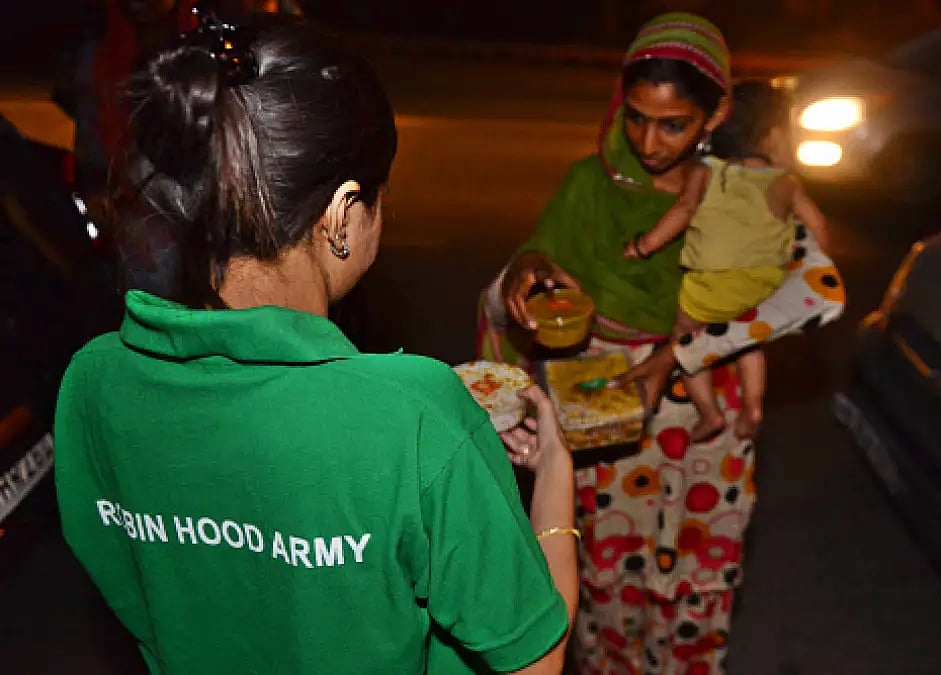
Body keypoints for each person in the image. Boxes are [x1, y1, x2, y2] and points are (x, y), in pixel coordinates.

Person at [54, 16, 578, 674]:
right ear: (341, 212)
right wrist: (555, 474)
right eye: (378, 196)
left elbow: (147, 598)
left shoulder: (93, 386)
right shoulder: (415, 417)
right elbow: (536, 657)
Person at [477, 12, 846, 674]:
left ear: (716, 112)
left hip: (708, 422)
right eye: (637, 116)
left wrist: (675, 355)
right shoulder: (587, 185)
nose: (649, 140)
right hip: (605, 411)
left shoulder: (751, 191)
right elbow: (535, 265)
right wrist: (527, 268)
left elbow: (817, 293)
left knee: (700, 583)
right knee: (607, 576)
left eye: (672, 123)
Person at [621, 81, 830, 442]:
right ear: (771, 138)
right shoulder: (785, 182)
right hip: (763, 284)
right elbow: (817, 224)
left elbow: (683, 211)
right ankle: (753, 406)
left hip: (711, 286)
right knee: (749, 341)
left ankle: (710, 413)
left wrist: (644, 245)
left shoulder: (706, 172)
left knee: (686, 340)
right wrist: (815, 265)